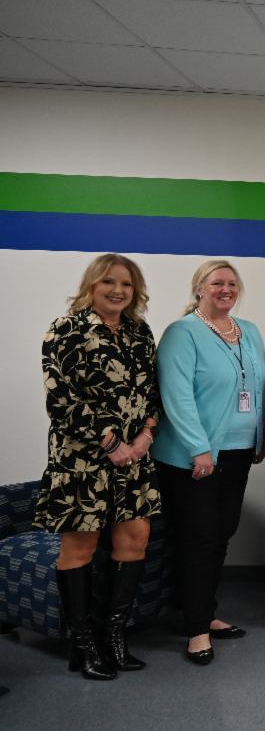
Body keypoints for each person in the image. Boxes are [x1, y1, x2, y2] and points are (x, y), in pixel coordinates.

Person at [37, 254, 161, 680]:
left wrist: (144, 436)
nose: (118, 290)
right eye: (108, 281)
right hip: (82, 458)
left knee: (136, 536)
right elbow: (60, 400)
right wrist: (111, 443)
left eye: (126, 284)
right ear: (92, 284)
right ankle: (82, 644)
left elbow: (152, 391)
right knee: (82, 544)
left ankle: (114, 638)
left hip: (135, 457)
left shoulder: (139, 332)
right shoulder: (65, 329)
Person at [153, 260, 265, 665]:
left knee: (221, 534)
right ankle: (197, 630)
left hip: (238, 452)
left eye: (232, 283)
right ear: (199, 288)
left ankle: (204, 611)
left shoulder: (249, 331)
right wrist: (198, 447)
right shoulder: (181, 333)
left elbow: (259, 386)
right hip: (194, 457)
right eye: (217, 282)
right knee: (199, 538)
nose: (226, 289)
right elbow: (176, 395)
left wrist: (261, 436)